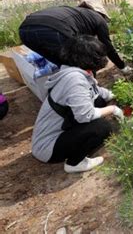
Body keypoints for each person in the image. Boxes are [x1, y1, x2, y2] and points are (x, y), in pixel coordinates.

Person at [31, 35, 124, 173]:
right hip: (49, 147)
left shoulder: (73, 70)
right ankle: (75, 163)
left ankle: (78, 143)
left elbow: (95, 91)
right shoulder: (74, 79)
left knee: (98, 100)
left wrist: (118, 95)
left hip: (61, 131)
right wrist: (113, 109)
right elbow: (85, 115)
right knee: (101, 128)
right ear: (91, 58)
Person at [18, 0, 133, 74]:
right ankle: (90, 93)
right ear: (100, 12)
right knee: (83, 61)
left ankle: (67, 89)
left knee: (63, 64)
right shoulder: (98, 19)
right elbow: (107, 47)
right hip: (53, 30)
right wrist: (122, 67)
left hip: (24, 31)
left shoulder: (77, 14)